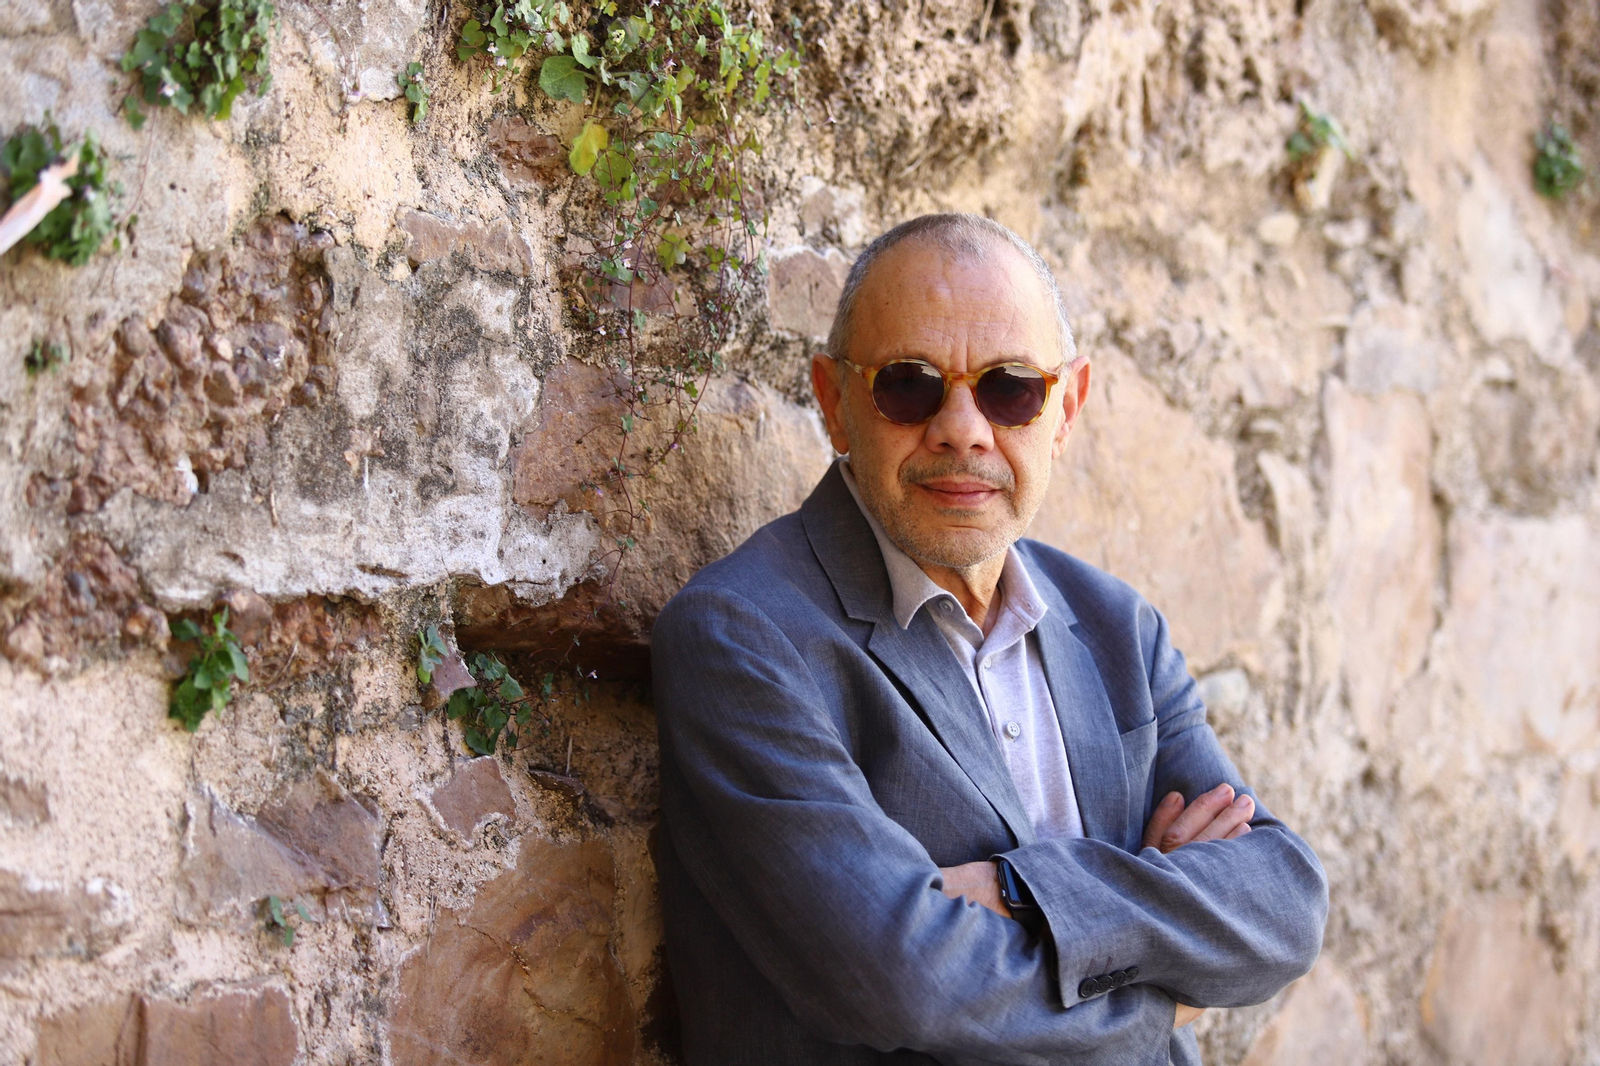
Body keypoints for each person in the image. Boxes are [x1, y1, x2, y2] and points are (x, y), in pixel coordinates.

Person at [650, 213, 1328, 1066]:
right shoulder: (742, 640)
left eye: (1011, 388)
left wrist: (1016, 892)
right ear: (834, 402)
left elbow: (1284, 905)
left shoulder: (1119, 626)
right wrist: (1171, 991)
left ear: (1067, 406)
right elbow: (902, 981)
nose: (963, 428)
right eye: (909, 384)